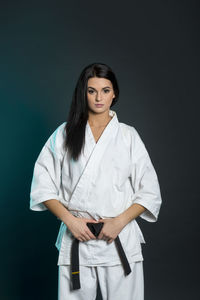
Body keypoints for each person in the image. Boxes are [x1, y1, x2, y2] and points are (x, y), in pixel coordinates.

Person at [29, 62, 162, 300]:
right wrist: (70, 221)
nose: (99, 97)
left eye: (105, 90)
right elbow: (43, 187)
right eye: (92, 91)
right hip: (77, 238)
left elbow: (149, 192)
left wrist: (119, 222)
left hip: (118, 239)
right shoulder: (65, 134)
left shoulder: (128, 136)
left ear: (114, 94)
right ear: (84, 93)